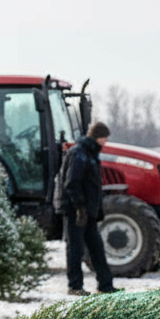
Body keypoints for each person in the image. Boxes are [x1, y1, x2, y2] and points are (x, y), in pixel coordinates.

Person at [57, 120, 119, 297]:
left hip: (88, 211)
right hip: (75, 210)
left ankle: (105, 285)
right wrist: (80, 207)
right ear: (97, 137)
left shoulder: (91, 154)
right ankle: (75, 286)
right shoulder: (79, 154)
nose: (105, 142)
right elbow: (72, 183)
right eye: (104, 138)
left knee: (96, 247)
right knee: (75, 248)